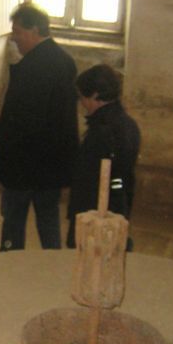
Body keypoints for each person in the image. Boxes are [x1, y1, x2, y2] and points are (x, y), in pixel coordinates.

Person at [0, 2, 79, 251]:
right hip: (51, 167)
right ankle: (51, 266)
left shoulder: (31, 68)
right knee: (48, 220)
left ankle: (9, 266)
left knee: (13, 221)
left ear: (34, 31)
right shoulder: (64, 60)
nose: (14, 39)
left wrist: (6, 163)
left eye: (18, 32)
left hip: (24, 166)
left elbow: (22, 124)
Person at [66, 64, 141, 249]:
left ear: (95, 96)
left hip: (98, 209)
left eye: (82, 97)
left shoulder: (102, 131)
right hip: (119, 201)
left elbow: (91, 178)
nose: (82, 103)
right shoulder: (128, 124)